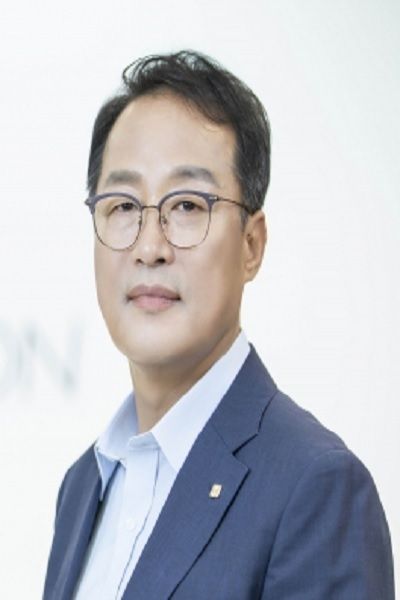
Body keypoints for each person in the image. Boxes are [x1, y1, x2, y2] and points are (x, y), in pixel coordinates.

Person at [43, 51, 394, 600]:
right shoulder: (84, 484)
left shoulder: (316, 488)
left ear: (252, 245)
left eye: (187, 205)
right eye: (123, 205)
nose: (150, 246)